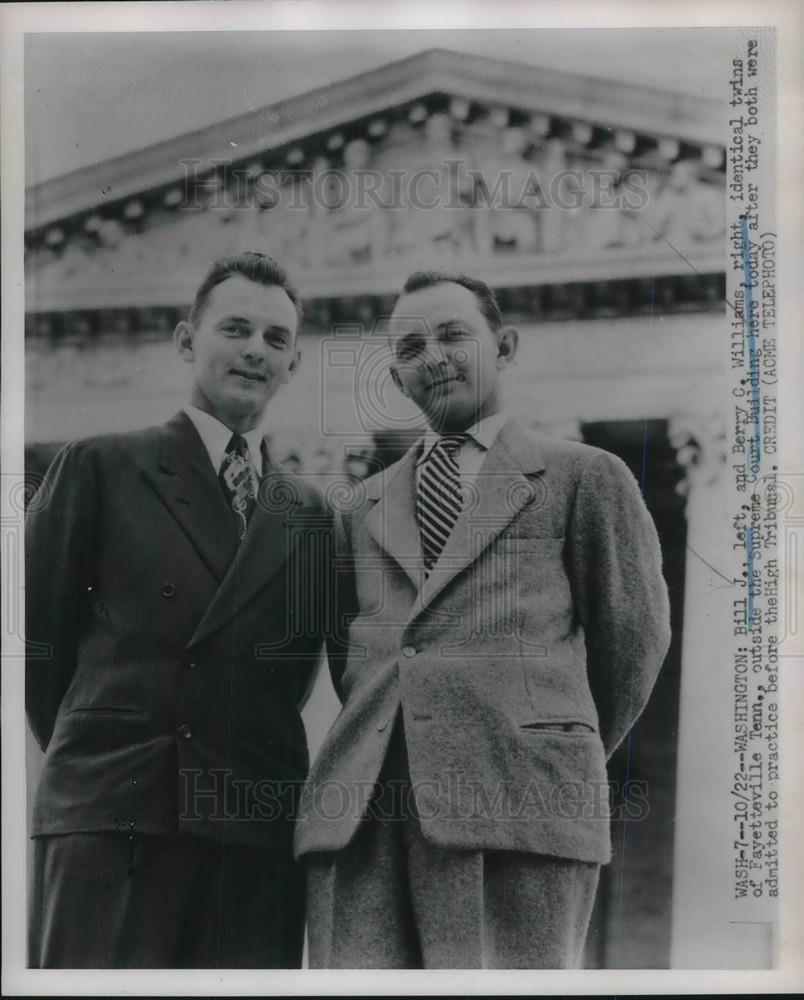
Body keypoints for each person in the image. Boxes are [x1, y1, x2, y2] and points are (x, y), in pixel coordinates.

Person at [295, 270, 672, 968]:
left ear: (504, 345)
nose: (431, 356)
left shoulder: (585, 478)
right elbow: (355, 659)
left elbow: (633, 646)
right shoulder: (357, 509)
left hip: (516, 813)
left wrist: (542, 749)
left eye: (452, 335)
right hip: (365, 822)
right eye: (410, 347)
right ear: (397, 377)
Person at [26, 251, 331, 968]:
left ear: (293, 365)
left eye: (276, 340)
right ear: (187, 341)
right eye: (235, 329)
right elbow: (37, 649)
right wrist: (114, 754)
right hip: (118, 818)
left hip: (252, 835)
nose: (255, 350)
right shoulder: (100, 466)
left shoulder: (311, 513)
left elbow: (294, 679)